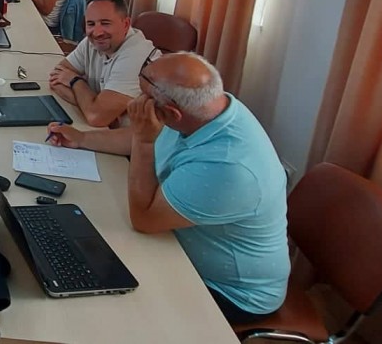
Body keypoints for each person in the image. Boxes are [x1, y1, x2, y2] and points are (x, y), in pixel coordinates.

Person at [46, 52, 290, 324]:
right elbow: (148, 135)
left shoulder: (229, 167)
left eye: (143, 98)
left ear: (172, 113)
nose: (135, 104)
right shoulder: (206, 108)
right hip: (174, 244)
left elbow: (144, 219)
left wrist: (144, 141)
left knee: (92, 306)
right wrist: (82, 139)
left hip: (227, 292)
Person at [46, 0, 155, 128]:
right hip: (108, 129)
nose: (97, 32)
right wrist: (92, 104)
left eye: (105, 23)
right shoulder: (91, 42)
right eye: (91, 24)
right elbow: (56, 78)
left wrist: (75, 81)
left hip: (135, 137)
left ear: (126, 24)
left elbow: (96, 117)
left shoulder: (136, 55)